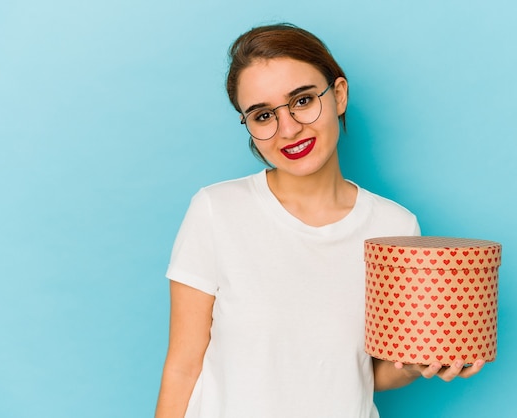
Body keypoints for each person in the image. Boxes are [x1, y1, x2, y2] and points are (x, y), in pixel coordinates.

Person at [155, 23, 485, 418]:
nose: (289, 128)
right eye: (263, 115)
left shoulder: (394, 228)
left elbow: (362, 374)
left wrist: (416, 366)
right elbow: (182, 367)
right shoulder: (216, 209)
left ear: (339, 95)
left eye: (302, 100)